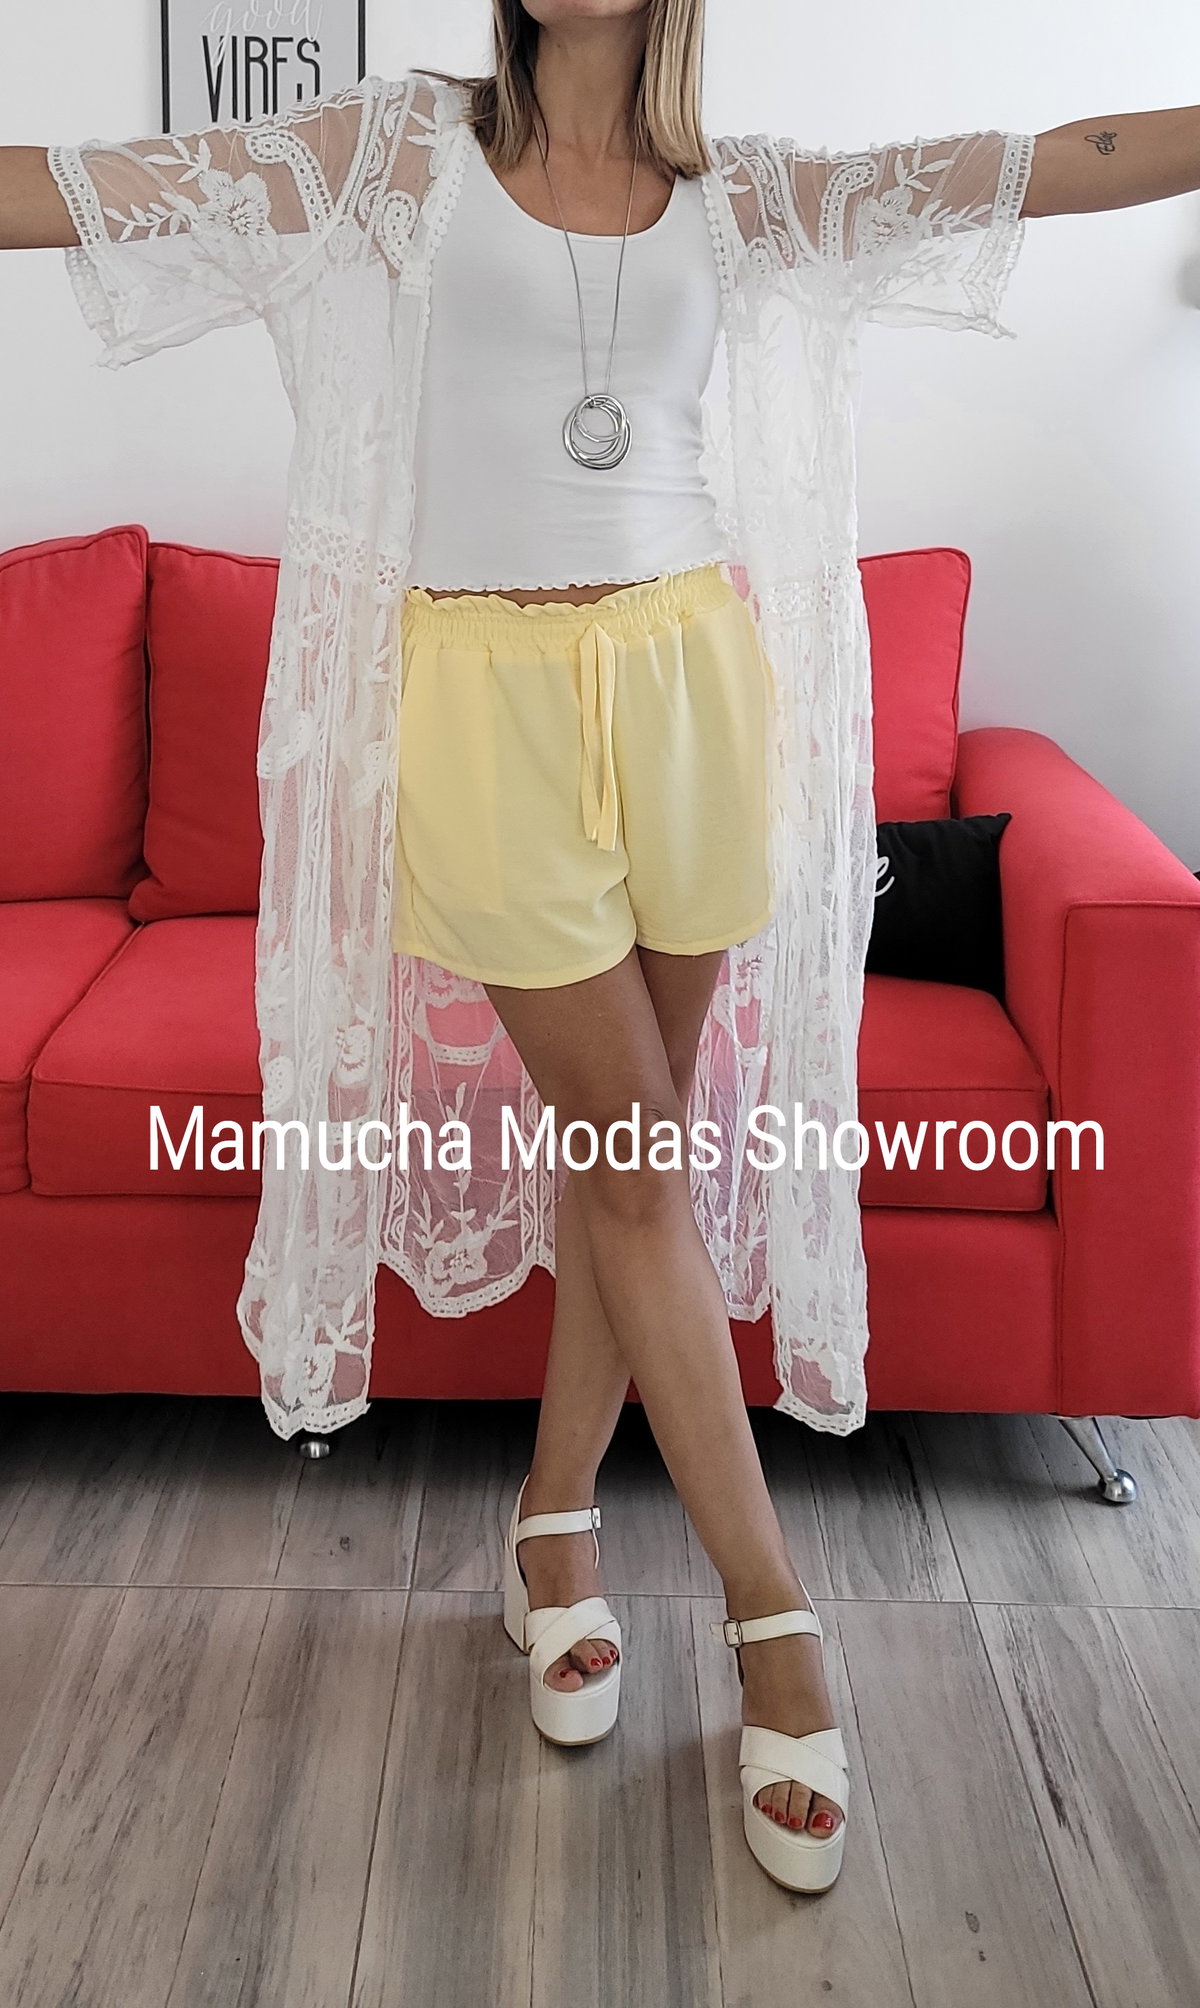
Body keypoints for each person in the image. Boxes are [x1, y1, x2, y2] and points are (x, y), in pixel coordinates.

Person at [4, 0, 1196, 1896]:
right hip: (482, 702)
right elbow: (96, 192)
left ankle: (554, 1524)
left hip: (689, 685)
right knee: (642, 1159)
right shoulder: (398, 152)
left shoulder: (745, 196)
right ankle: (776, 1621)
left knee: (621, 1155)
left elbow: (1053, 164)